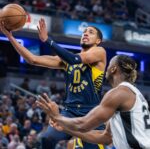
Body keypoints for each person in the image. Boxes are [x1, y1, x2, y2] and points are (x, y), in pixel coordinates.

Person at [0, 19, 106, 149]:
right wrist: (10, 37)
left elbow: (74, 60)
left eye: (91, 32)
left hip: (91, 112)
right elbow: (32, 59)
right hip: (70, 111)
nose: (85, 33)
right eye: (84, 32)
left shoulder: (100, 52)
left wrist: (47, 40)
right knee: (47, 138)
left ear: (98, 41)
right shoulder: (66, 60)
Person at [36, 55, 150, 149]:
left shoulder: (119, 93)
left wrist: (57, 117)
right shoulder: (132, 94)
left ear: (113, 69)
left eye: (109, 64)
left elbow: (84, 124)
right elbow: (105, 137)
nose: (106, 68)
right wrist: (66, 128)